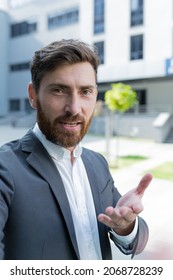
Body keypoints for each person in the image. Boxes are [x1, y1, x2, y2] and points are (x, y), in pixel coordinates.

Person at [0, 39, 152, 260]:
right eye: (59, 90)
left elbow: (135, 242)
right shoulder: (5, 170)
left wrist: (126, 227)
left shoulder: (97, 164)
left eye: (85, 92)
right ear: (33, 95)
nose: (74, 108)